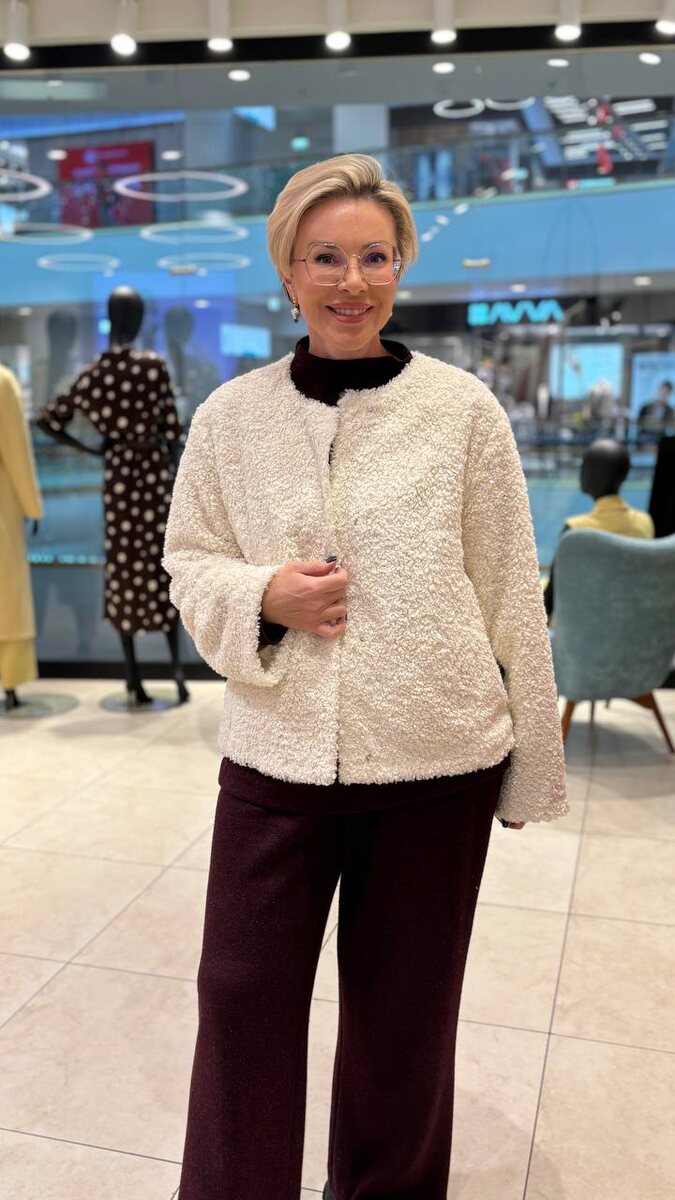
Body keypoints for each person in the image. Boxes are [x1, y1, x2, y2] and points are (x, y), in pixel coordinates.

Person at [163, 153, 567, 1200]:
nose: (352, 281)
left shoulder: (463, 411)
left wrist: (531, 765)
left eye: (374, 256)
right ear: (287, 273)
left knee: (403, 1029)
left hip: (436, 764)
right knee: (240, 999)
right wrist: (263, 595)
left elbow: (510, 588)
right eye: (325, 257)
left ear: (401, 265)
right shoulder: (230, 416)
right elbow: (189, 560)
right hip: (275, 756)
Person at [38, 287, 189, 705]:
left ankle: (132, 675)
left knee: (123, 567)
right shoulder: (153, 366)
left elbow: (49, 419)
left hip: (119, 478)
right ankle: (177, 671)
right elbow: (171, 429)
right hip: (153, 478)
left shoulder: (96, 371)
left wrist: (94, 448)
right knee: (161, 564)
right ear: (138, 321)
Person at [543, 438, 654, 621]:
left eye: (584, 466)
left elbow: (549, 600)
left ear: (592, 474)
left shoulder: (575, 530)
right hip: (629, 623)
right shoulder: (645, 523)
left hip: (580, 627)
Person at [0, 364, 43, 710]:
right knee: (7, 593)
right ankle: (10, 681)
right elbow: (15, 449)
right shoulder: (2, 381)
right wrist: (32, 507)